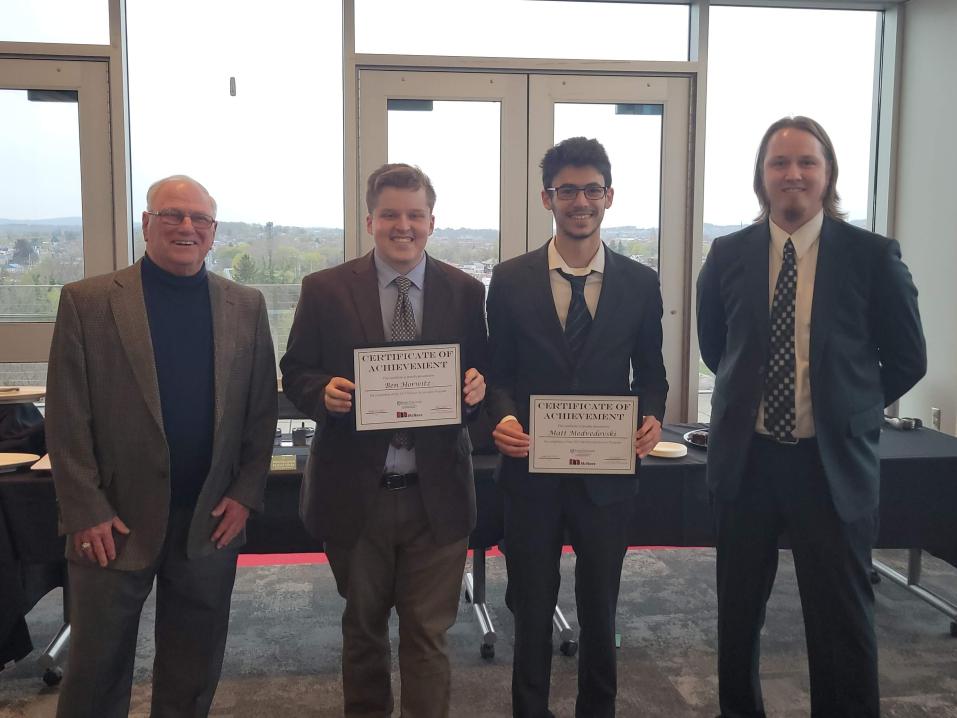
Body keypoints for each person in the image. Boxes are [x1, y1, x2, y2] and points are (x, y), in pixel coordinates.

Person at [697, 116, 926, 717]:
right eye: (779, 163)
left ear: (828, 175)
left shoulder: (872, 256)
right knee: (737, 616)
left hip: (830, 467)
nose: (792, 173)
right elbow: (716, 349)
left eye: (807, 162)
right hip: (746, 463)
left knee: (841, 621)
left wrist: (850, 406)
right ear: (762, 177)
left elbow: (908, 357)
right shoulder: (727, 255)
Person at [46, 175, 278, 718]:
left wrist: (245, 495)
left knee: (193, 669)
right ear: (147, 224)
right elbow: (66, 417)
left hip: (210, 519)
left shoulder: (246, 305)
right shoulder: (88, 302)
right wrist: (86, 510)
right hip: (112, 523)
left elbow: (260, 412)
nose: (186, 227)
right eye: (172, 214)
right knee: (95, 672)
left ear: (214, 231)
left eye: (200, 219)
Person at [280, 163, 488, 718]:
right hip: (356, 495)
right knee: (363, 630)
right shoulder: (324, 289)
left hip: (436, 495)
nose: (404, 226)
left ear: (432, 222)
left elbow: (482, 375)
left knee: (428, 635)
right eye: (390, 214)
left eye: (415, 215)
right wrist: (322, 392)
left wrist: (477, 389)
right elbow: (295, 370)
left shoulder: (466, 291)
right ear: (369, 220)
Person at [486, 136, 668, 718]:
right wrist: (502, 416)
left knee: (601, 610)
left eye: (592, 190)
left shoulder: (640, 283)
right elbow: (497, 374)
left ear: (609, 196)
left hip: (607, 480)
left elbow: (653, 374)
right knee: (531, 609)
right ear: (548, 198)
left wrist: (652, 415)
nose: (580, 202)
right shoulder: (509, 279)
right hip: (530, 475)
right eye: (567, 191)